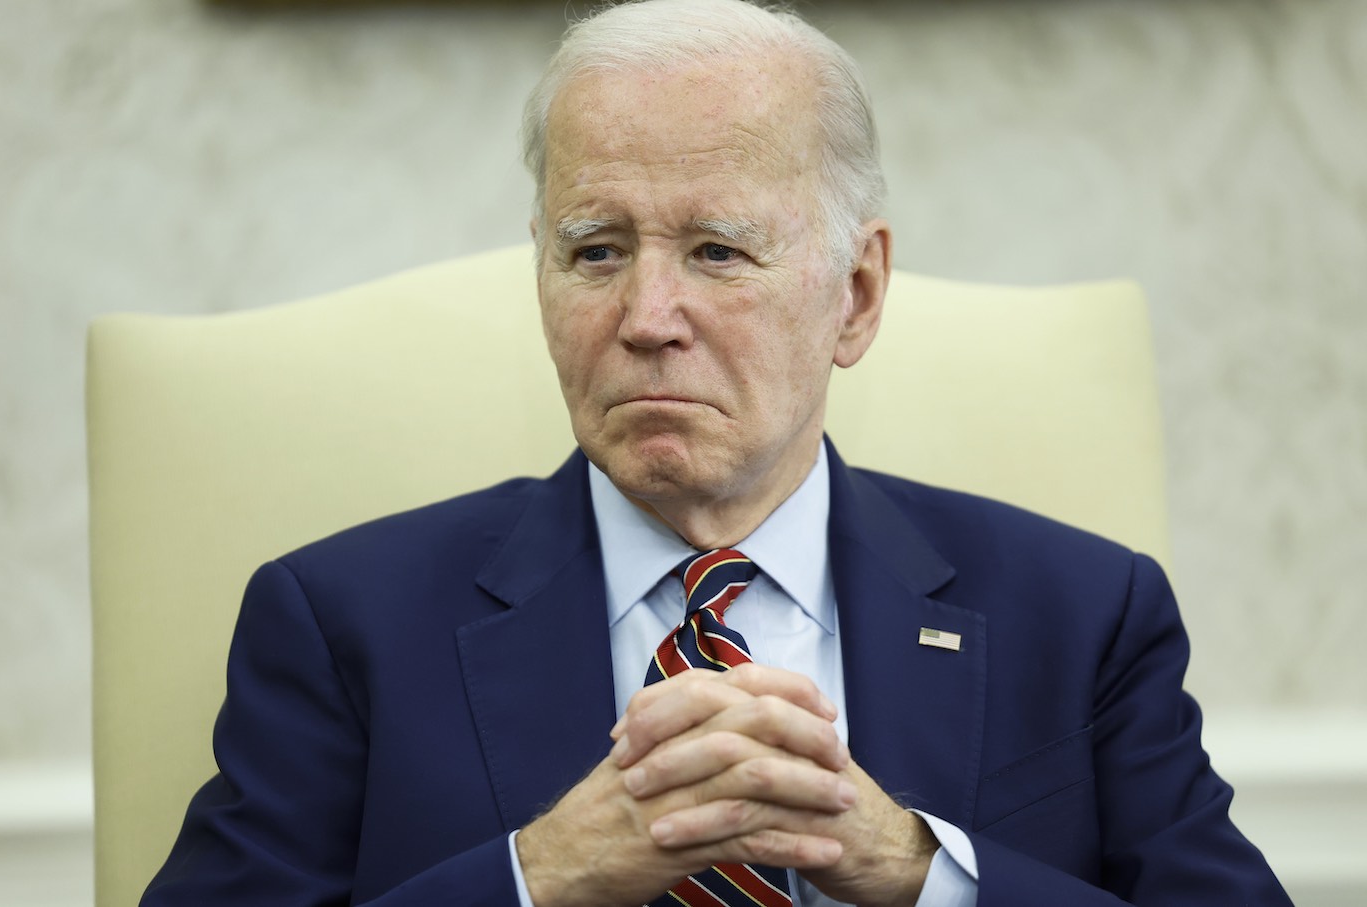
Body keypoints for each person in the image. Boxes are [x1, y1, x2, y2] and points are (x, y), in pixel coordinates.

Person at [142, 1, 1291, 905]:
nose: (647, 315)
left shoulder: (1081, 612)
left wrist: (915, 869)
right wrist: (540, 876)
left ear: (857, 293)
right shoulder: (344, 624)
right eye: (595, 250)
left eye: (717, 250)